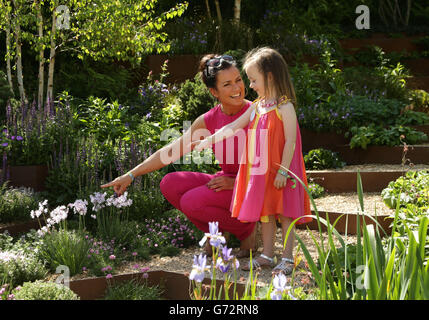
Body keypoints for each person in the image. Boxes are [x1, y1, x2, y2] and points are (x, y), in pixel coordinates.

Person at [101, 54, 257, 258]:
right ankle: (217, 234)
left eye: (238, 80)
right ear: (214, 91)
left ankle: (247, 230)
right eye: (227, 84)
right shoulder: (208, 119)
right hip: (227, 181)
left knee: (192, 201)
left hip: (254, 186)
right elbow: (170, 151)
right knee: (170, 183)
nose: (237, 88)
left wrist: (237, 182)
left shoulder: (257, 112)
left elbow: (272, 163)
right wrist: (130, 175)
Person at [193, 47, 312, 275]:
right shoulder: (258, 106)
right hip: (262, 170)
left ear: (270, 77)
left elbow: (291, 142)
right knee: (266, 213)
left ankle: (287, 258)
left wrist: (284, 172)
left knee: (285, 213)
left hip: (281, 171)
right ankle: (267, 255)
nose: (251, 85)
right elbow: (233, 127)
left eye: (254, 80)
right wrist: (209, 140)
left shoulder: (284, 107)